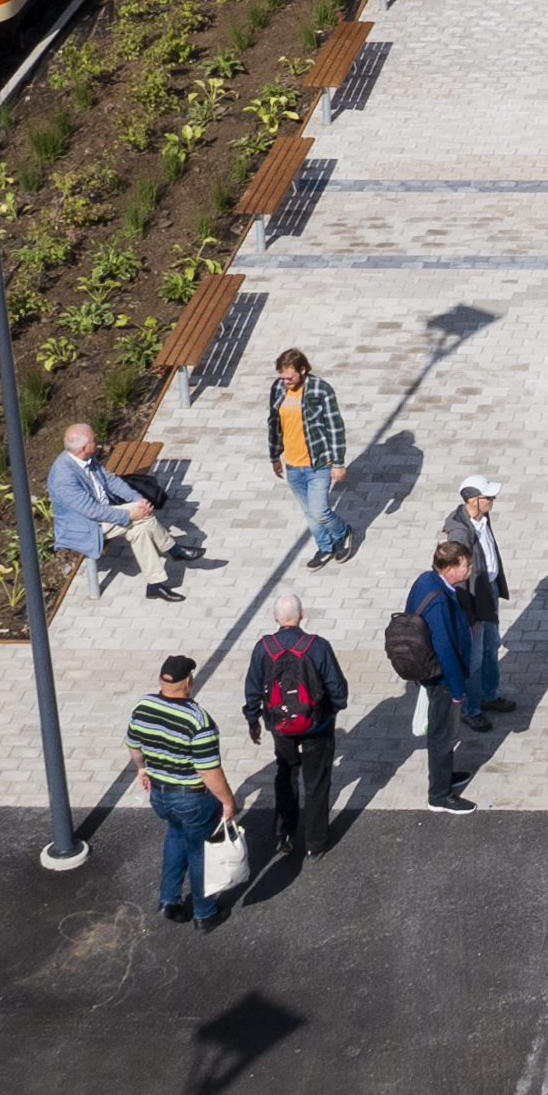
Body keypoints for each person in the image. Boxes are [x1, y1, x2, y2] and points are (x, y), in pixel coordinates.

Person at [126, 653, 239, 925]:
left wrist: (142, 768)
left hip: (160, 795)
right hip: (193, 799)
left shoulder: (144, 706)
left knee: (176, 835)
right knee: (201, 851)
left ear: (161, 679)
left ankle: (169, 900)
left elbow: (134, 745)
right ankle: (204, 913)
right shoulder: (198, 720)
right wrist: (227, 801)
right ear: (188, 682)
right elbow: (207, 770)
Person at [242, 592, 348, 862]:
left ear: (275, 618)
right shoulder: (318, 646)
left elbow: (253, 689)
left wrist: (254, 720)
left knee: (286, 773)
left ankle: (285, 834)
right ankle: (315, 843)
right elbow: (338, 689)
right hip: (317, 726)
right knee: (316, 783)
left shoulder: (263, 648)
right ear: (302, 615)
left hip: (280, 726)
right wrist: (332, 711)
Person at [46, 422, 188, 604]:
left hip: (103, 513)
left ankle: (155, 585)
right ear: (83, 448)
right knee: (142, 518)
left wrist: (137, 499)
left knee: (140, 528)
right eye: (93, 440)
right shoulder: (64, 477)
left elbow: (111, 480)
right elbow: (91, 511)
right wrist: (129, 515)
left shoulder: (85, 458)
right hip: (85, 526)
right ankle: (172, 548)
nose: (97, 442)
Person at [406, 542, 482, 815]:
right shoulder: (438, 600)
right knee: (443, 735)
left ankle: (444, 776)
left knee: (442, 734)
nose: (470, 568)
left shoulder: (426, 580)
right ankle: (439, 795)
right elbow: (445, 648)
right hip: (442, 679)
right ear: (449, 568)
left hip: (434, 673)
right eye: (466, 564)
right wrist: (458, 689)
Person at [262, 350, 354, 567]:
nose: (285, 382)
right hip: (292, 464)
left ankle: (342, 532)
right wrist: (275, 455)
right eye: (282, 378)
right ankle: (325, 547)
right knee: (309, 512)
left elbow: (335, 427)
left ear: (303, 370)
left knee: (319, 510)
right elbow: (274, 424)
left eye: (290, 378)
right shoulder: (278, 388)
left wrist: (338, 463)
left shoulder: (320, 389)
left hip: (318, 463)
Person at [440, 478, 515, 726]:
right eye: (489, 498)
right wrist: (469, 616)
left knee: (491, 648)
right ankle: (471, 710)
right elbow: (459, 580)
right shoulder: (460, 534)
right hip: (474, 600)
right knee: (475, 657)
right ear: (474, 500)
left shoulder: (482, 518)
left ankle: (489, 695)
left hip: (489, 591)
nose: (493, 502)